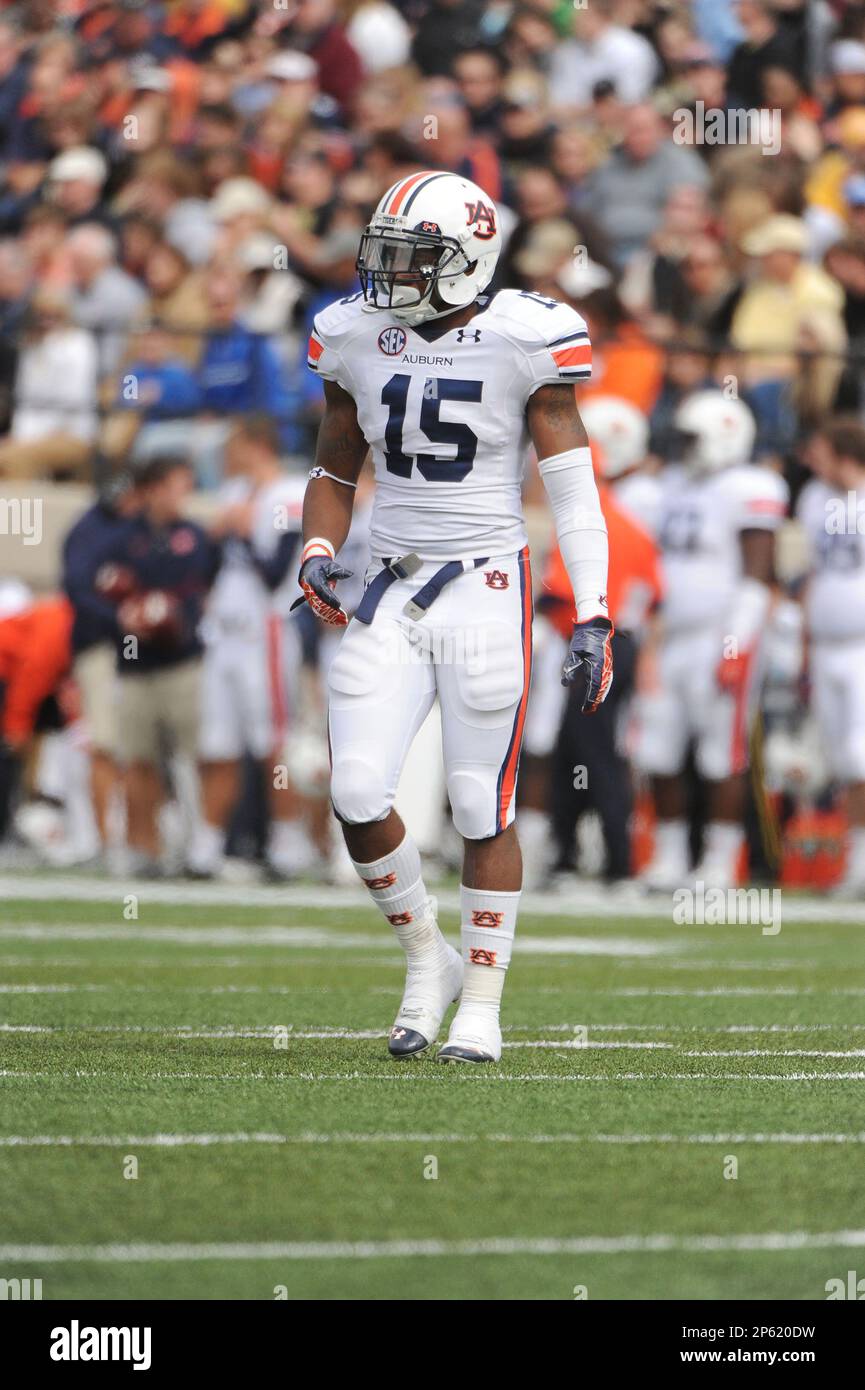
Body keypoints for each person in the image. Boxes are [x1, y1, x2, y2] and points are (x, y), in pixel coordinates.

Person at [297, 172, 613, 1063]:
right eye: (385, 251)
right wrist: (318, 551)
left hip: (485, 586)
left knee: (480, 801)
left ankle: (481, 1000)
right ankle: (424, 958)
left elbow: (574, 492)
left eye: (412, 257)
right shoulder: (353, 333)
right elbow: (333, 468)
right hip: (389, 585)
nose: (388, 272)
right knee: (357, 792)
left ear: (466, 259)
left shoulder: (523, 337)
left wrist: (592, 612)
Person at [634, 391, 788, 891]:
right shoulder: (674, 483)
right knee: (658, 748)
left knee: (721, 753)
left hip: (718, 636)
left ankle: (721, 862)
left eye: (692, 438)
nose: (684, 448)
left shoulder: (750, 485)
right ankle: (671, 856)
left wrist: (736, 645)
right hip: (671, 636)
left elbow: (757, 577)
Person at [193, 415, 309, 881]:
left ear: (257, 445)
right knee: (217, 744)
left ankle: (287, 845)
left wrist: (240, 532)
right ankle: (206, 848)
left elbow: (277, 571)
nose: (225, 456)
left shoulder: (289, 492)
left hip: (268, 630)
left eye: (234, 445)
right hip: (223, 632)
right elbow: (209, 568)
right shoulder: (232, 495)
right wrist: (218, 536)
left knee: (272, 744)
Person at [102, 454, 220, 872]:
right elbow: (98, 590)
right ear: (152, 489)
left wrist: (171, 615)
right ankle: (141, 846)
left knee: (188, 758)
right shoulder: (121, 537)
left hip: (181, 661)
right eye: (175, 485)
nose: (182, 496)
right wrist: (126, 612)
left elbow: (199, 589)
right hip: (135, 663)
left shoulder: (194, 535)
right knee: (137, 758)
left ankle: (194, 847)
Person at [796, 418, 865, 899]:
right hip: (826, 644)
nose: (810, 460)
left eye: (819, 450)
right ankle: (857, 862)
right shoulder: (814, 500)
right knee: (842, 761)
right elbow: (812, 575)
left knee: (862, 756)